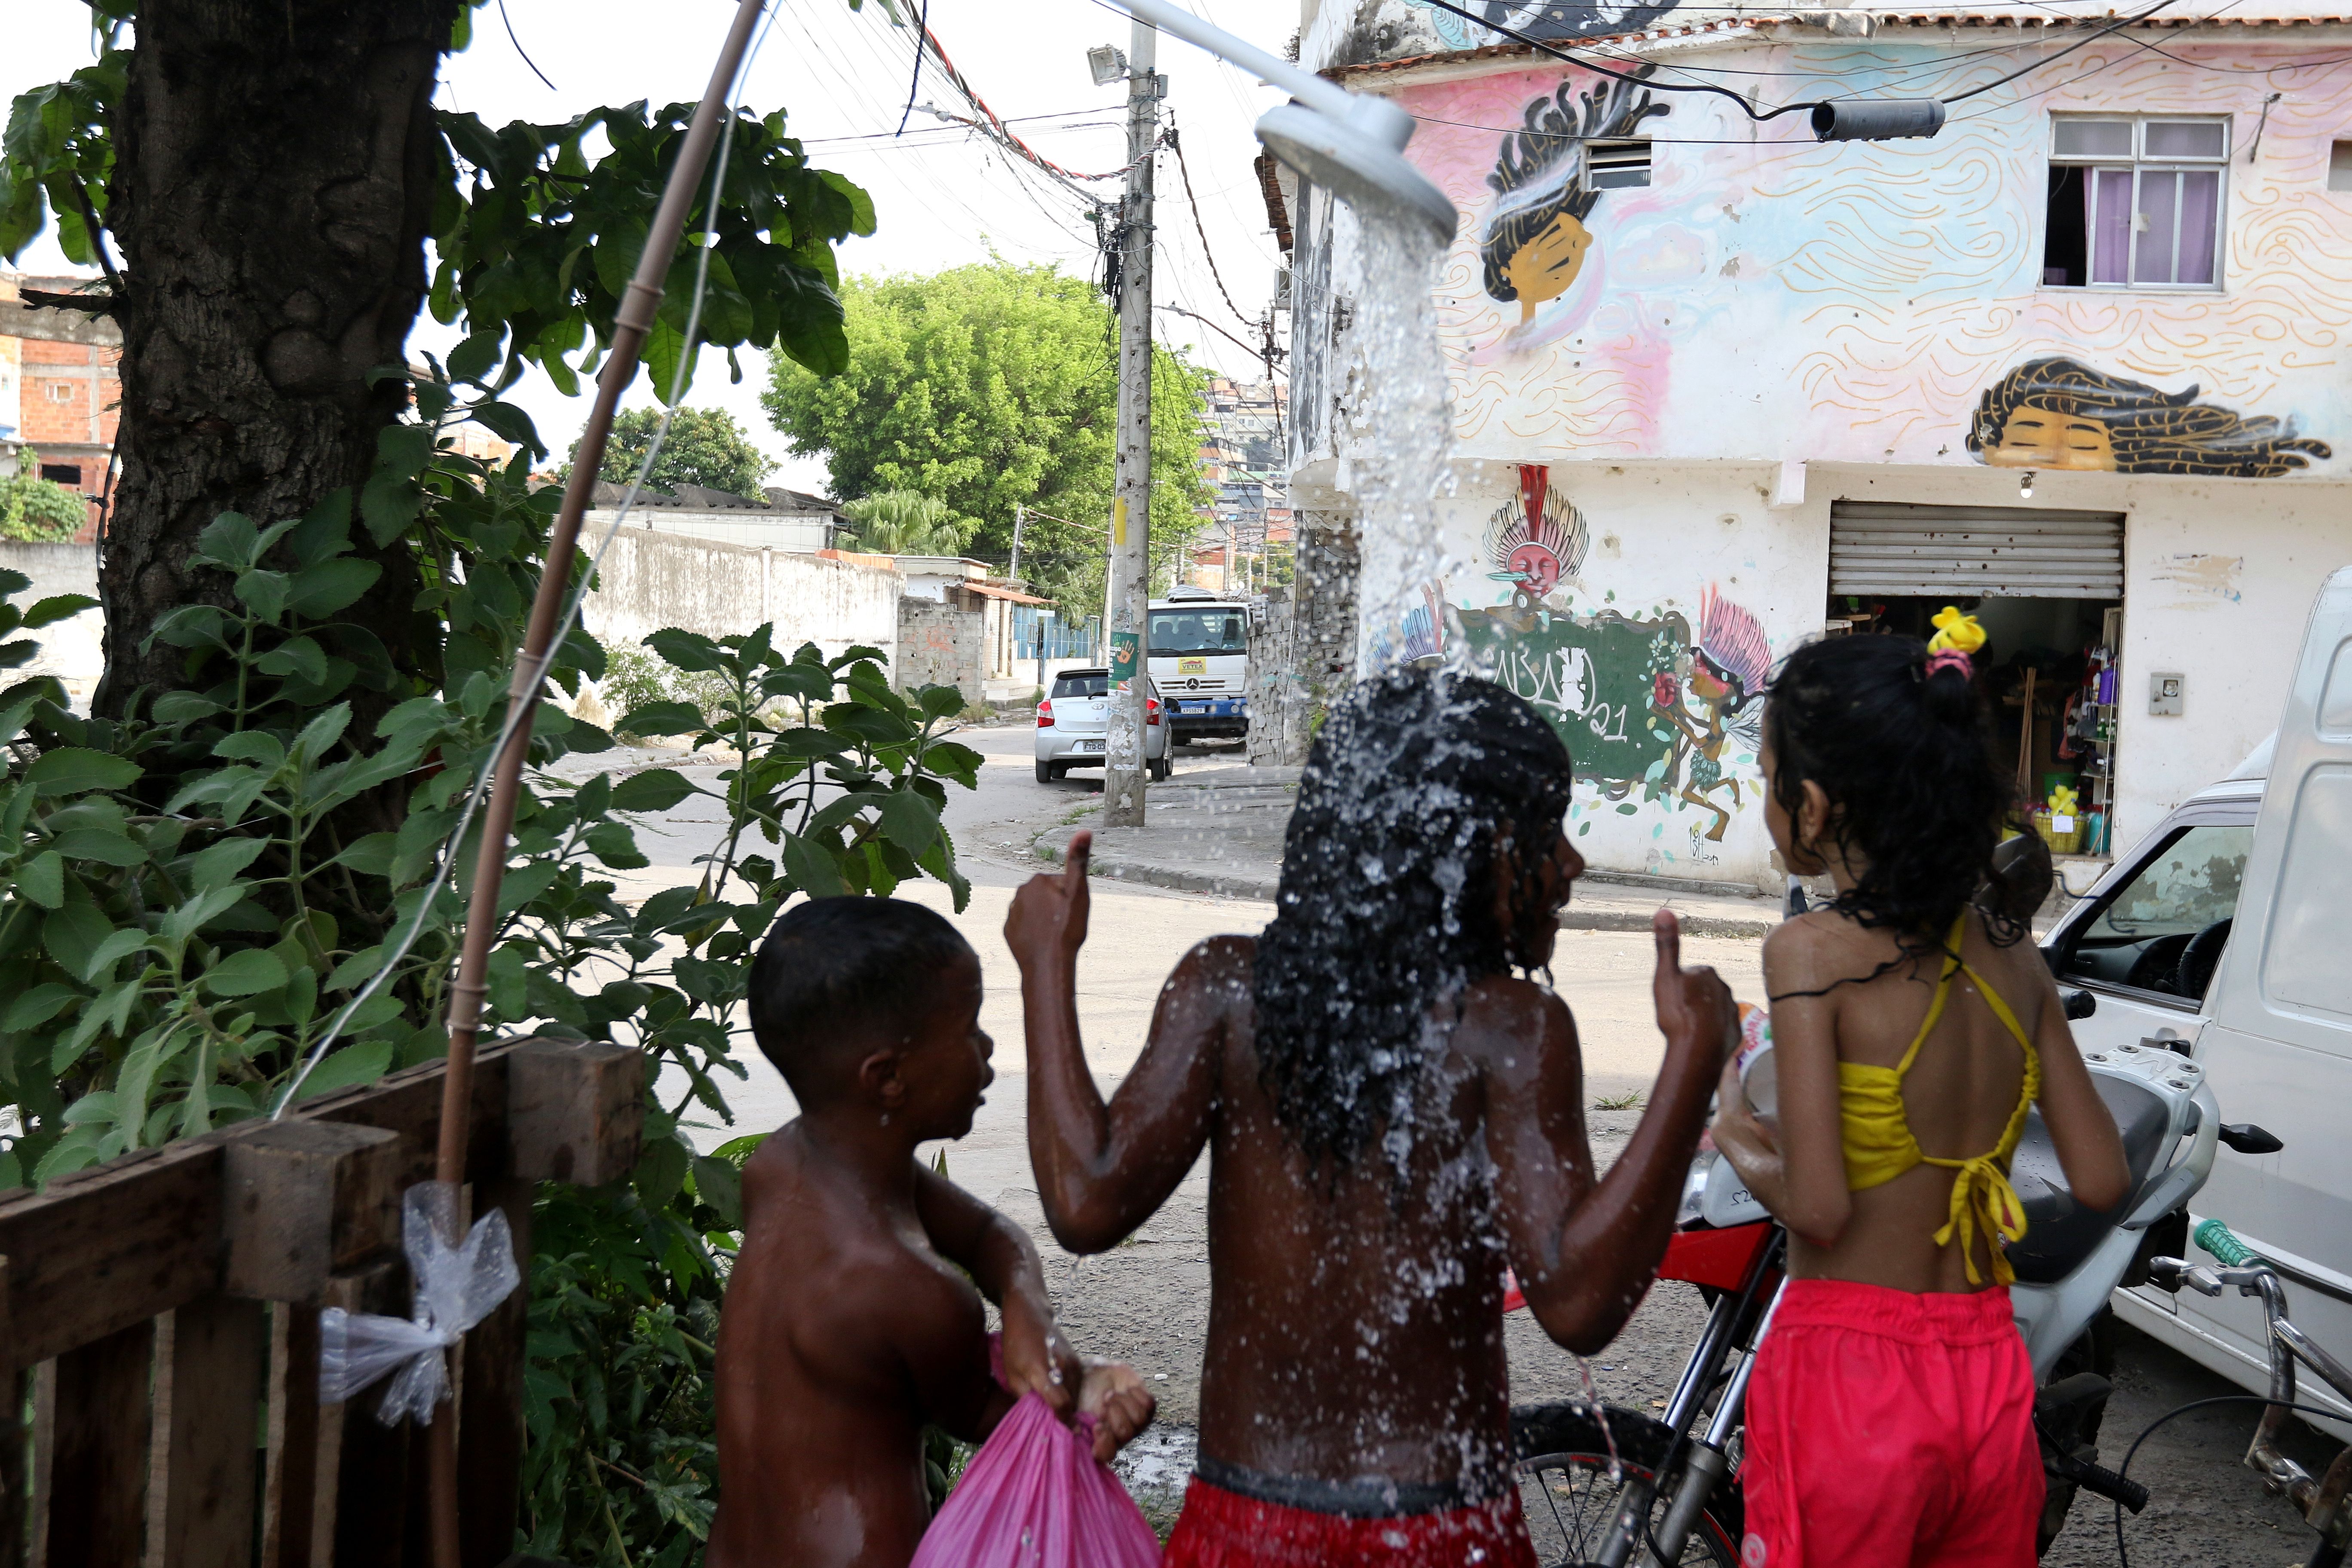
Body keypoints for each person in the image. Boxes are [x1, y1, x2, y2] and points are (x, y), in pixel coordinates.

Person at [1004, 670, 1736, 1566]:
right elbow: (1581, 1305)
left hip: (1247, 1521)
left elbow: (1085, 1199)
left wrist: (1046, 962)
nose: (1573, 865)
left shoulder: (1229, 989)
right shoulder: (1507, 1030)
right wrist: (1693, 1061)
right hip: (1443, 1528)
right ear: (1469, 849)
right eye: (1549, 833)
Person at [1710, 619, 2131, 1568]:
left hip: (1850, 1379)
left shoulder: (1810, 954)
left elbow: (1818, 1205)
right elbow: (2101, 1177)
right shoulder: (2015, 956)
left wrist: (1730, 1122)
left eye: (1769, 777)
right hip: (1988, 1377)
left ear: (1813, 807)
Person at [708, 896, 1157, 1568]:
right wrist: (1094, 1395)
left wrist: (1028, 1309)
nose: (987, 1048)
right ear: (888, 1077)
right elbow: (1023, 1423)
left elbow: (989, 1234)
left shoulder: (783, 1164)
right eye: (969, 1029)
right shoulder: (907, 1292)